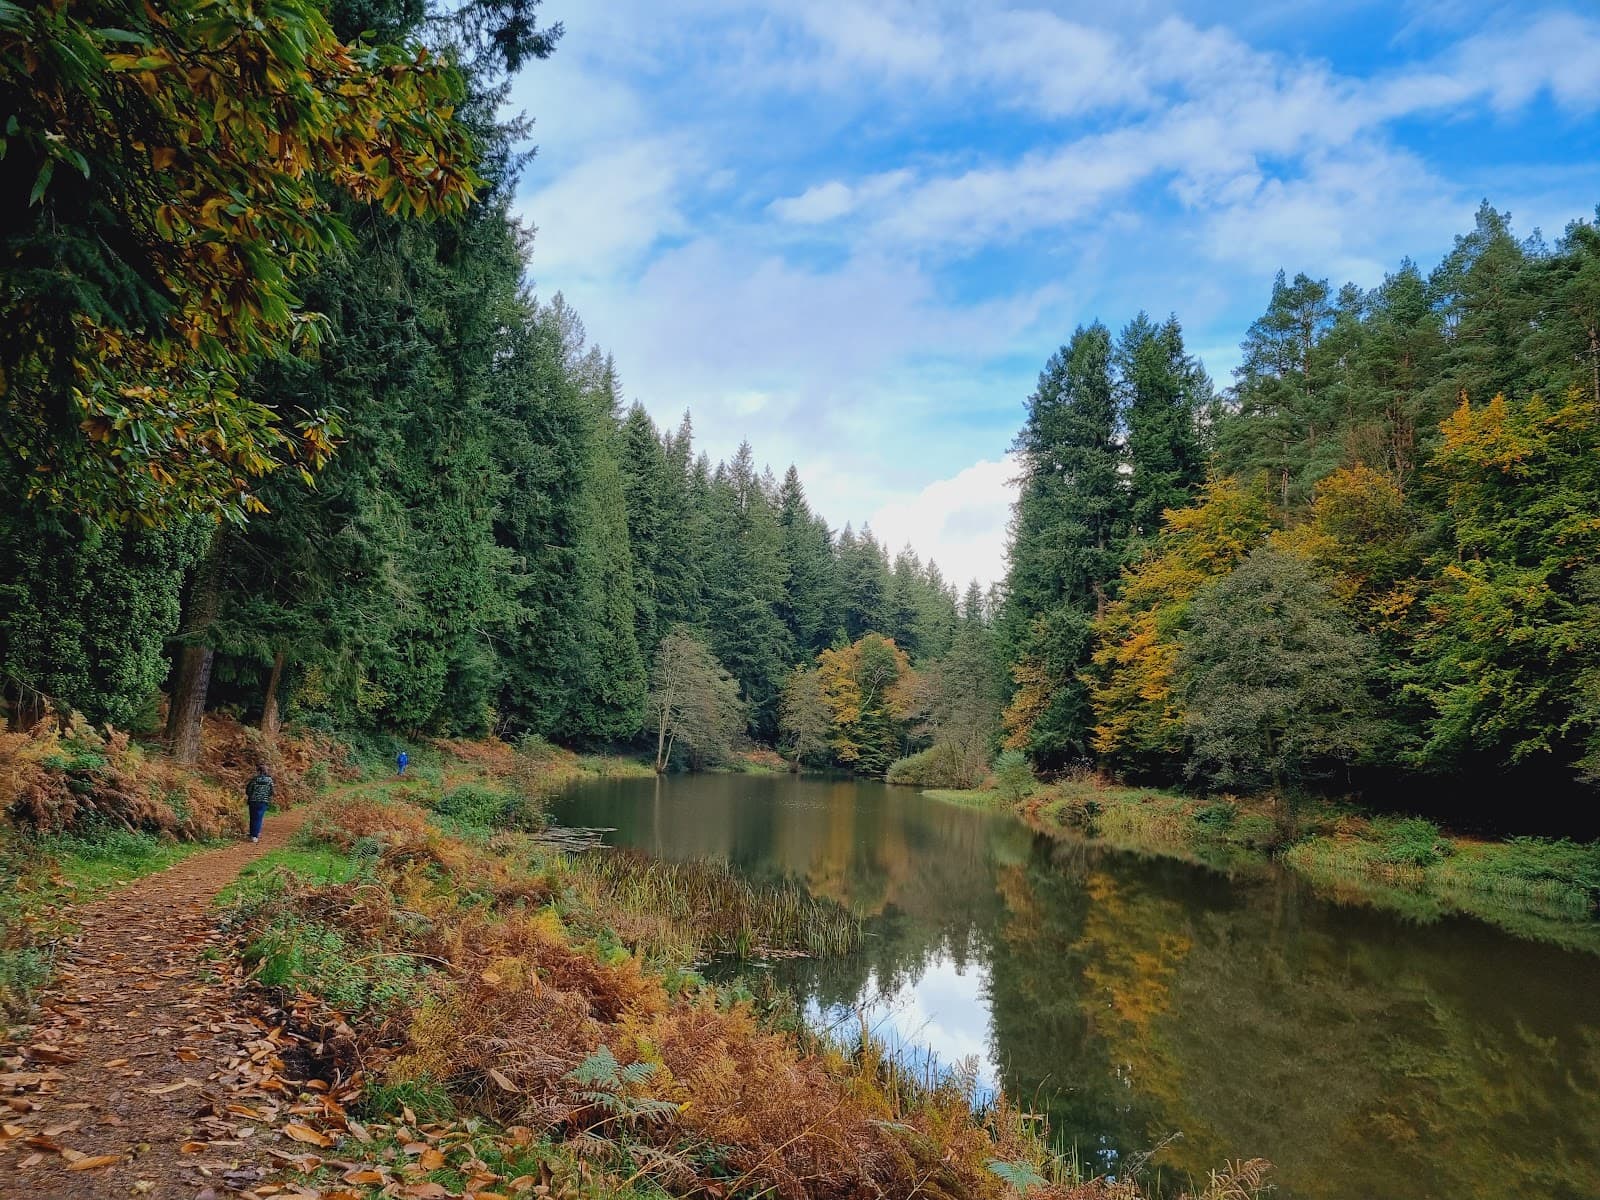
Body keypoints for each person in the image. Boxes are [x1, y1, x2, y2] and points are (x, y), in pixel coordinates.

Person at [244, 763, 274, 844]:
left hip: (253, 801)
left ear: (258, 771)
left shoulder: (254, 779)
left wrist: (251, 795)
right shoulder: (269, 780)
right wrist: (266, 796)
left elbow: (248, 790)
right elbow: (271, 792)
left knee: (252, 817)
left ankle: (252, 834)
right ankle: (255, 836)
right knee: (259, 818)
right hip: (263, 801)